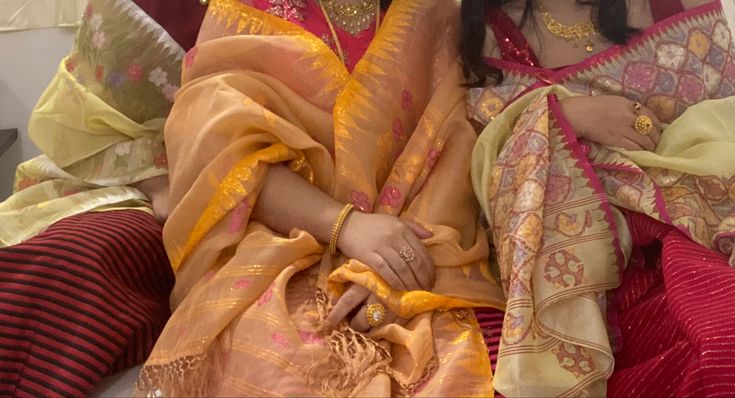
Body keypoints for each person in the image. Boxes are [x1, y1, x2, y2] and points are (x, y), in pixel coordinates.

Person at [135, 0, 506, 396]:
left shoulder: (437, 13)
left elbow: (457, 147)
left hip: (420, 252)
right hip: (280, 247)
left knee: (479, 366)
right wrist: (344, 225)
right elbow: (223, 156)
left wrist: (393, 269)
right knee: (280, 365)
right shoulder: (247, 11)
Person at [463, 0, 735, 396]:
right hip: (589, 279)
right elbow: (473, 176)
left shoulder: (673, 4)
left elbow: (725, 125)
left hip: (707, 229)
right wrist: (566, 117)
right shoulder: (479, 34)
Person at [0, 1, 206, 396]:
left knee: (79, 260)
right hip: (91, 169)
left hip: (199, 177)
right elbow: (80, 105)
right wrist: (150, 175)